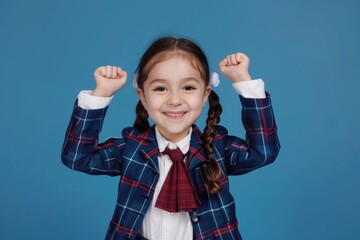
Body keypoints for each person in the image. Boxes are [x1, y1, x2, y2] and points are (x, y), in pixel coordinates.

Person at [61, 37, 280, 240]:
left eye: (188, 87)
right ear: (143, 96)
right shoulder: (131, 148)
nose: (174, 100)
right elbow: (77, 158)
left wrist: (243, 81)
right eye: (160, 88)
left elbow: (263, 152)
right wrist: (102, 94)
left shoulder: (218, 148)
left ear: (205, 94)